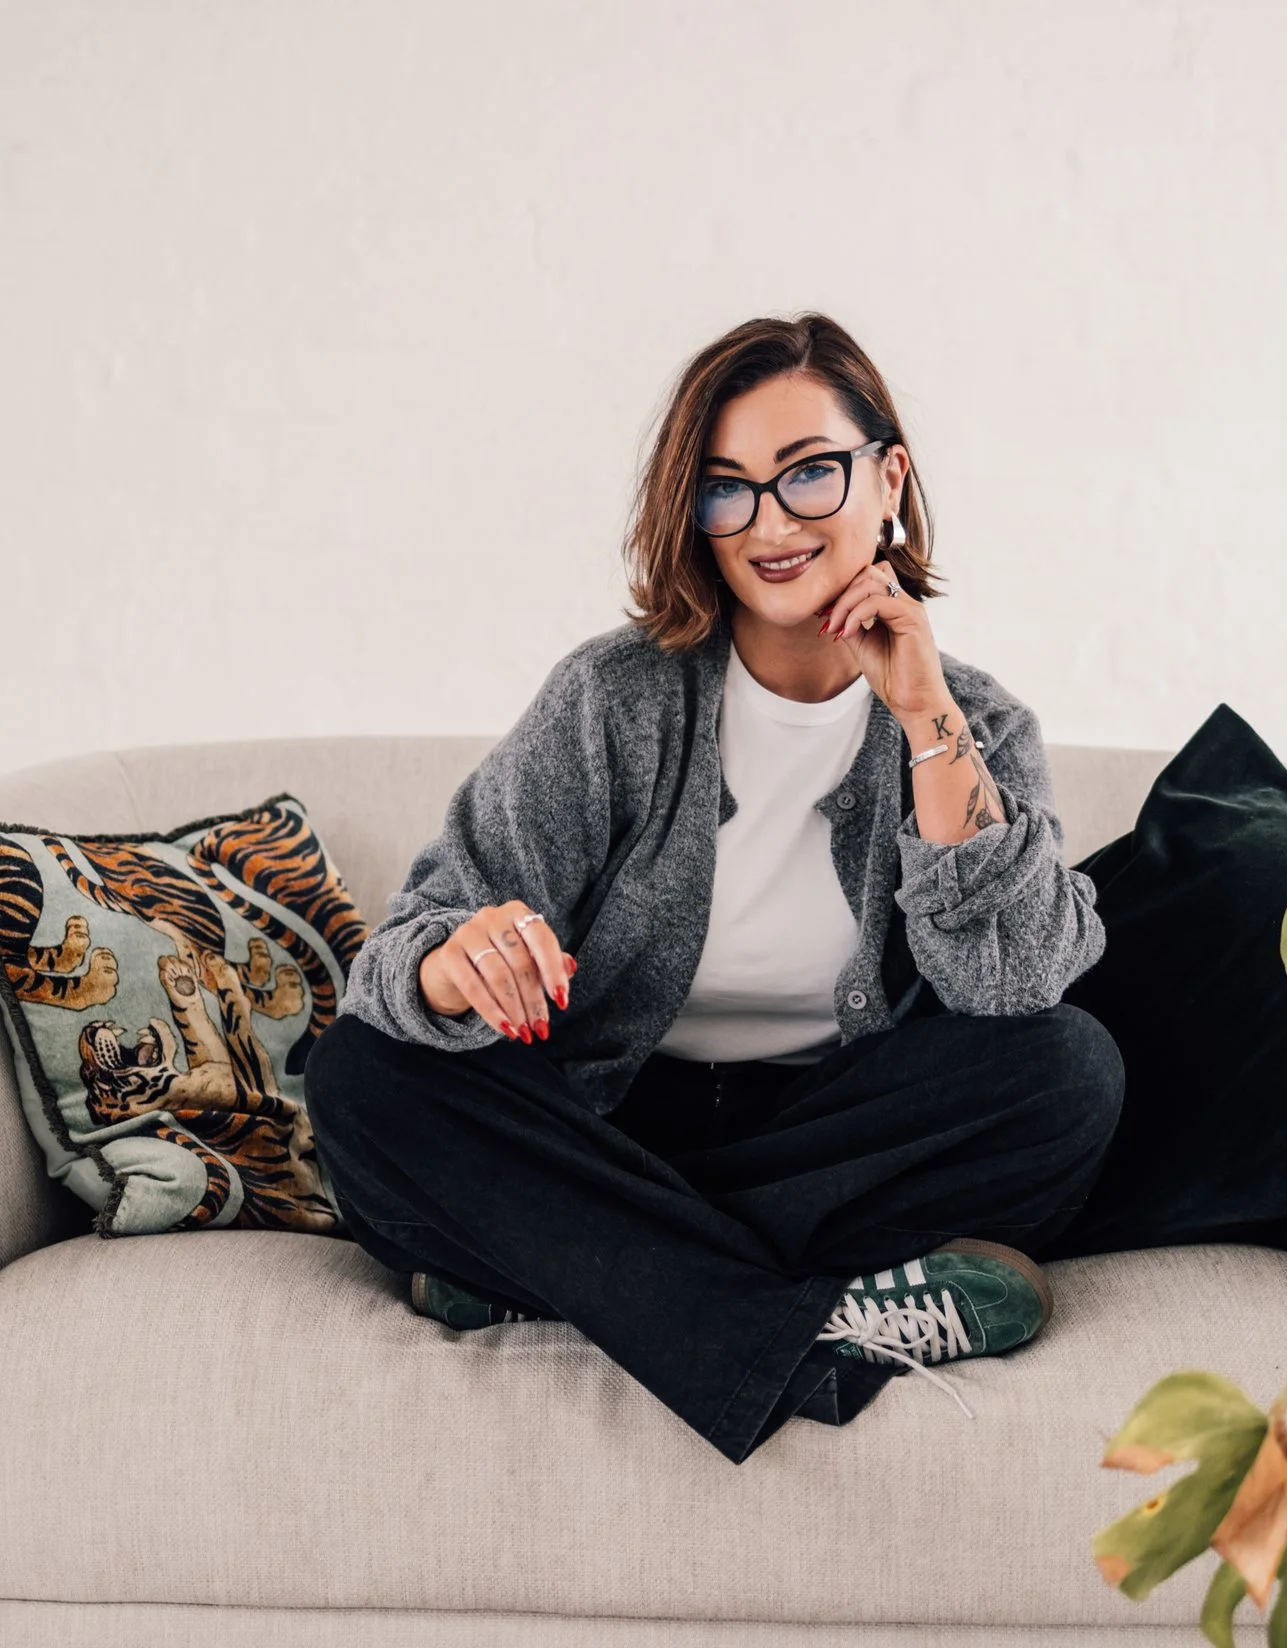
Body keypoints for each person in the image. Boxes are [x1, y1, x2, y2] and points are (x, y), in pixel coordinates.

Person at [305, 312, 1124, 1464]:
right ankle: (803, 1323)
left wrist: (925, 719)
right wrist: (453, 964)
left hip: (826, 1136)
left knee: (1068, 1072)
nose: (769, 523)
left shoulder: (974, 719)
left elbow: (1017, 982)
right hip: (603, 1125)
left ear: (888, 478)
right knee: (362, 1075)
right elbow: (408, 948)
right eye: (725, 488)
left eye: (809, 473)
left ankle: (565, 1269)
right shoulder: (613, 698)